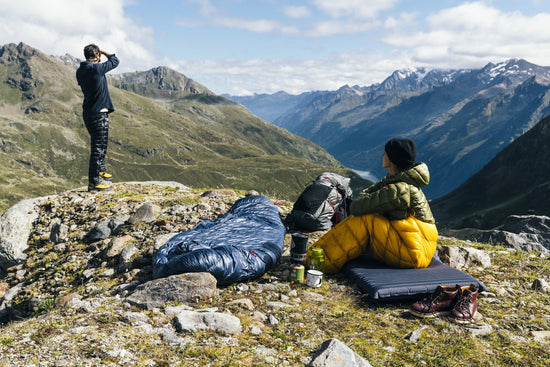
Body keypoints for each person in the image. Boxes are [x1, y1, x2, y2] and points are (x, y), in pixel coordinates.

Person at [307, 138, 438, 273]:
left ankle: (318, 262)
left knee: (365, 219)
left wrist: (371, 199)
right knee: (370, 215)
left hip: (412, 253)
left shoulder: (399, 190)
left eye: (386, 153)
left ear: (392, 159)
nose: (382, 155)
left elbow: (356, 206)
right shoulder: (401, 182)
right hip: (416, 248)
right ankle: (318, 253)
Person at [76, 44, 119, 191]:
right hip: (99, 113)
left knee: (100, 145)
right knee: (98, 148)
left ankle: (100, 172)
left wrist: (97, 56)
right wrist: (104, 52)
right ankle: (94, 183)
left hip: (89, 112)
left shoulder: (80, 70)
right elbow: (115, 61)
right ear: (97, 56)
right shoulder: (96, 68)